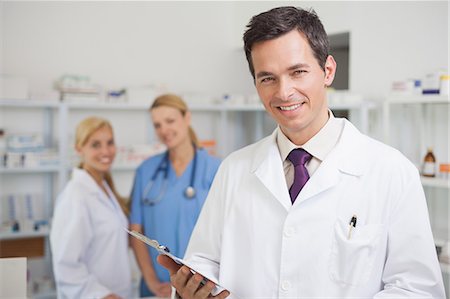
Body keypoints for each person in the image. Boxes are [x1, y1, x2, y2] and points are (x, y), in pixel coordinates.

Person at [158, 6, 445, 299]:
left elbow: (417, 290)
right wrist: (189, 291)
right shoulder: (234, 169)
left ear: (328, 70)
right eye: (267, 78)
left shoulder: (391, 171)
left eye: (297, 72)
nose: (284, 92)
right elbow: (204, 260)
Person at [129, 94, 221, 297]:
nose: (164, 130)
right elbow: (136, 231)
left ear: (187, 118)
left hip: (203, 288)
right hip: (157, 289)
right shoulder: (146, 171)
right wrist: (152, 283)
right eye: (157, 125)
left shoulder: (217, 169)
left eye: (170, 121)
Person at [50, 117, 132, 299]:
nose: (106, 151)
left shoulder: (104, 187)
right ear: (79, 149)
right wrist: (103, 296)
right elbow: (67, 265)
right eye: (95, 145)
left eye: (110, 143)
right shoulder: (76, 196)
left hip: (118, 292)